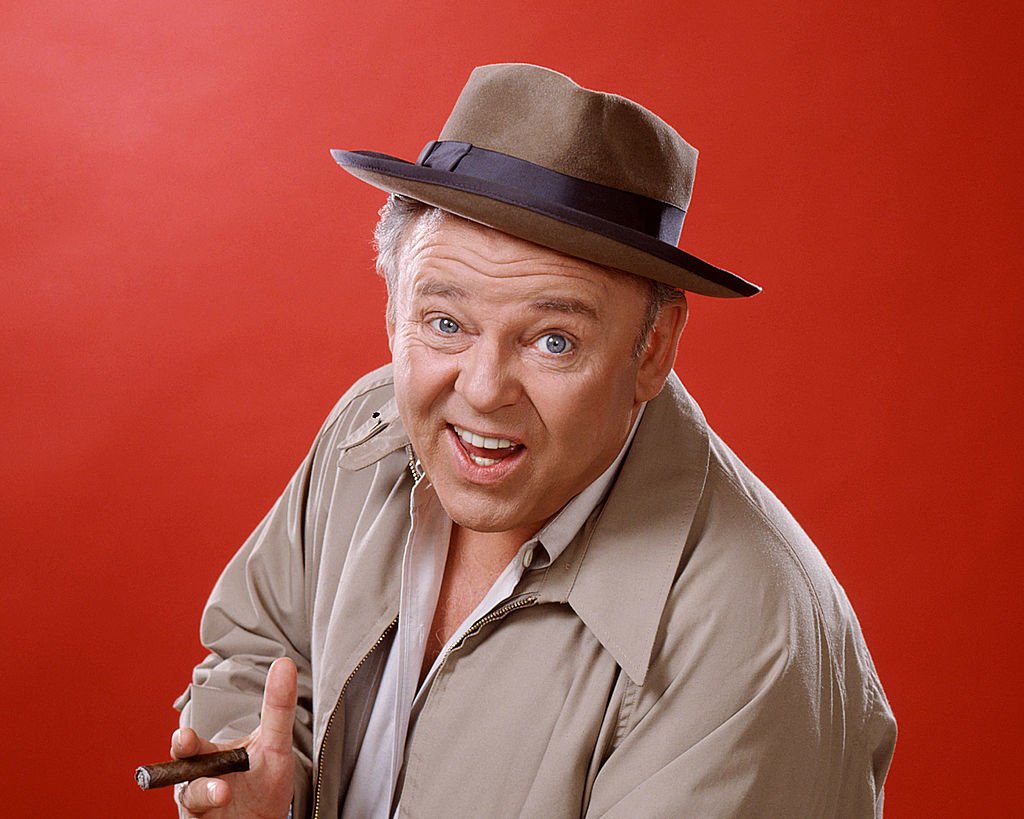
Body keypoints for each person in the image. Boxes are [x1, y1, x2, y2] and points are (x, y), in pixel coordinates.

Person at [171, 63, 896, 818]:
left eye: (553, 340)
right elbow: (258, 652)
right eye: (445, 323)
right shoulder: (368, 429)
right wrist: (262, 790)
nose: (483, 389)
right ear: (393, 309)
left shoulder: (751, 632)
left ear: (652, 349)